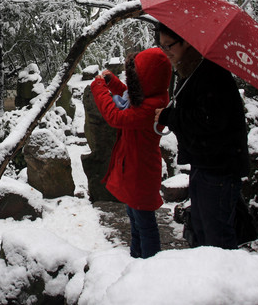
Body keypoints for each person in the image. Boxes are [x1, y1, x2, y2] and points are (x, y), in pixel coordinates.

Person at [154, 23, 249, 249]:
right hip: (204, 164)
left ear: (186, 41)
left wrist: (170, 116)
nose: (165, 51)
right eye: (161, 46)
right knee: (203, 229)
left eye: (169, 45)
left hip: (219, 168)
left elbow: (209, 120)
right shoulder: (192, 70)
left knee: (216, 236)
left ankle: (225, 281)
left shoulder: (210, 73)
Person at [90, 47, 172, 258]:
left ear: (146, 78)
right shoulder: (151, 96)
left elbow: (116, 116)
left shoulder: (151, 107)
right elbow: (130, 96)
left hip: (141, 172)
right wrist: (113, 82)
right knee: (135, 220)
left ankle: (150, 265)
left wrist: (99, 88)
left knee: (144, 225)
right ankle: (136, 260)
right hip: (134, 169)